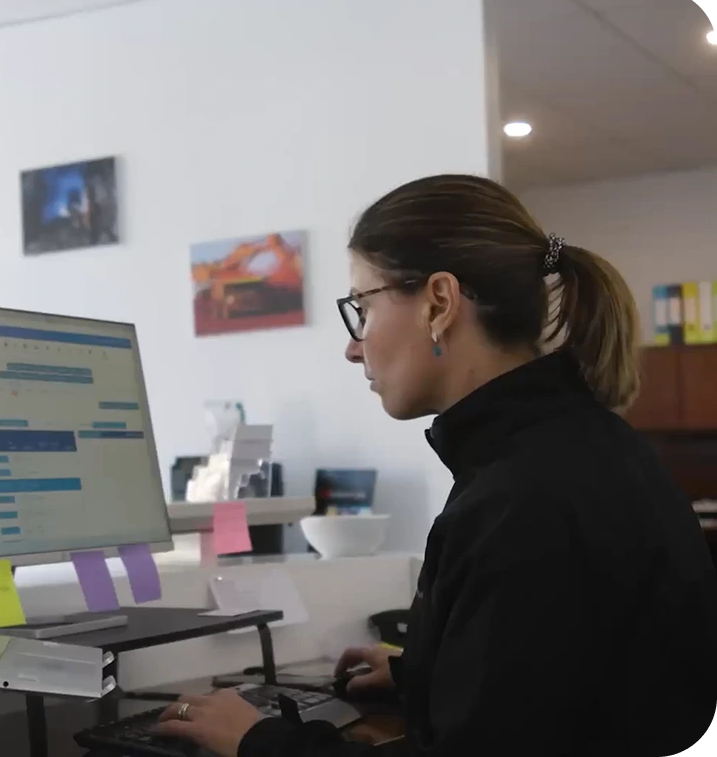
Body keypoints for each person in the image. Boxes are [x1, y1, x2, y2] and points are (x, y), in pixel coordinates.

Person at [152, 174, 717, 755]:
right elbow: (558, 688)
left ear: (439, 303)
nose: (353, 346)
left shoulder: (523, 501)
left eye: (361, 308)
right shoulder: (576, 449)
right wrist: (429, 673)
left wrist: (261, 742)